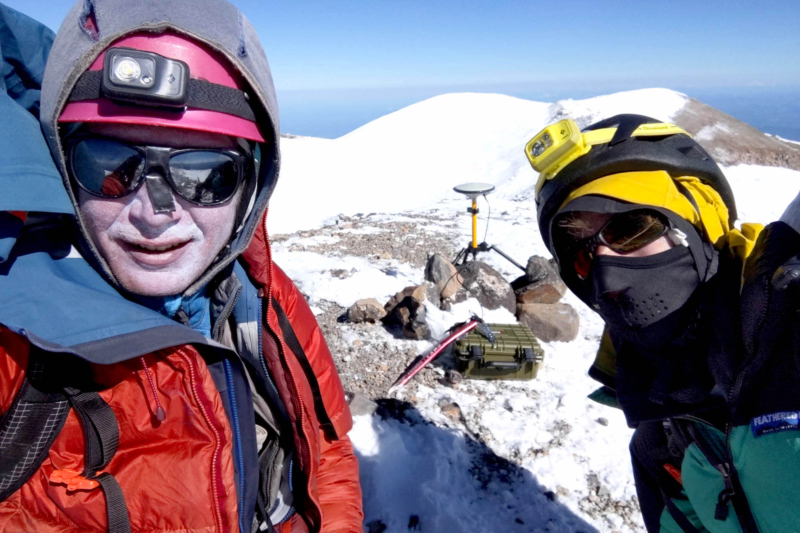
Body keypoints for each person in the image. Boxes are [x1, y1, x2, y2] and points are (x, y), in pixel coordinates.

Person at [0, 1, 363, 532]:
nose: (153, 214)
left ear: (250, 190)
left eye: (207, 175)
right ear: (59, 162)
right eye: (109, 167)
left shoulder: (256, 292)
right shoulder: (18, 334)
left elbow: (326, 452)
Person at [525, 114, 797, 532]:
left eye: (630, 229)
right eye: (582, 256)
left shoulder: (790, 328)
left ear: (698, 221)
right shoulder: (662, 433)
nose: (607, 274)